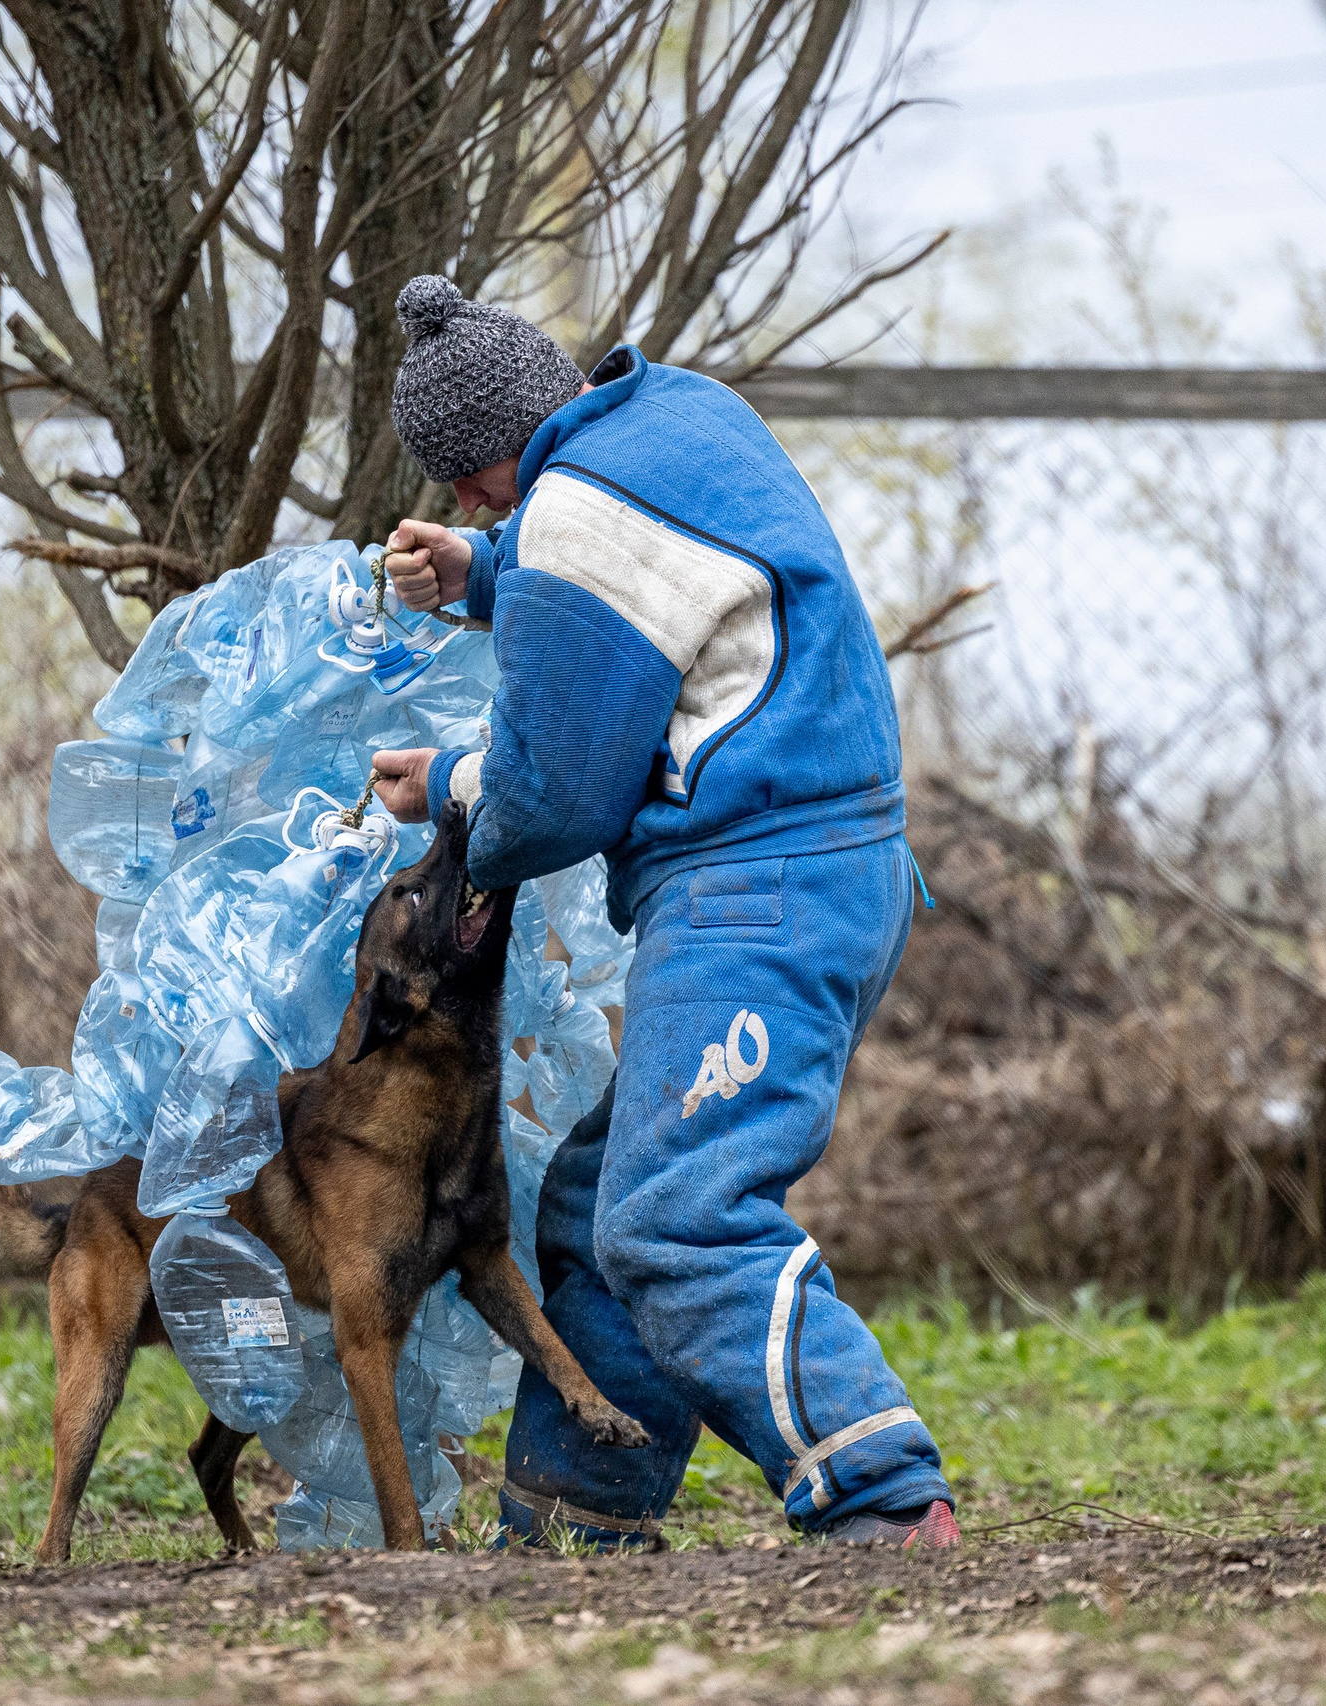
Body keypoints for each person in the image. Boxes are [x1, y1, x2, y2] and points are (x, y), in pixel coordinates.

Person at [361, 275, 959, 1552]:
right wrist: (484, 571)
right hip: (827, 864)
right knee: (592, 1206)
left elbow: (551, 795)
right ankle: (576, 1514)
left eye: (470, 485)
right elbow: (629, 563)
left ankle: (882, 1496)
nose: (469, 505)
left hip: (758, 886)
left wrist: (450, 787)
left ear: (495, 452)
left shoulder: (575, 507)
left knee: (677, 1216)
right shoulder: (679, 417)